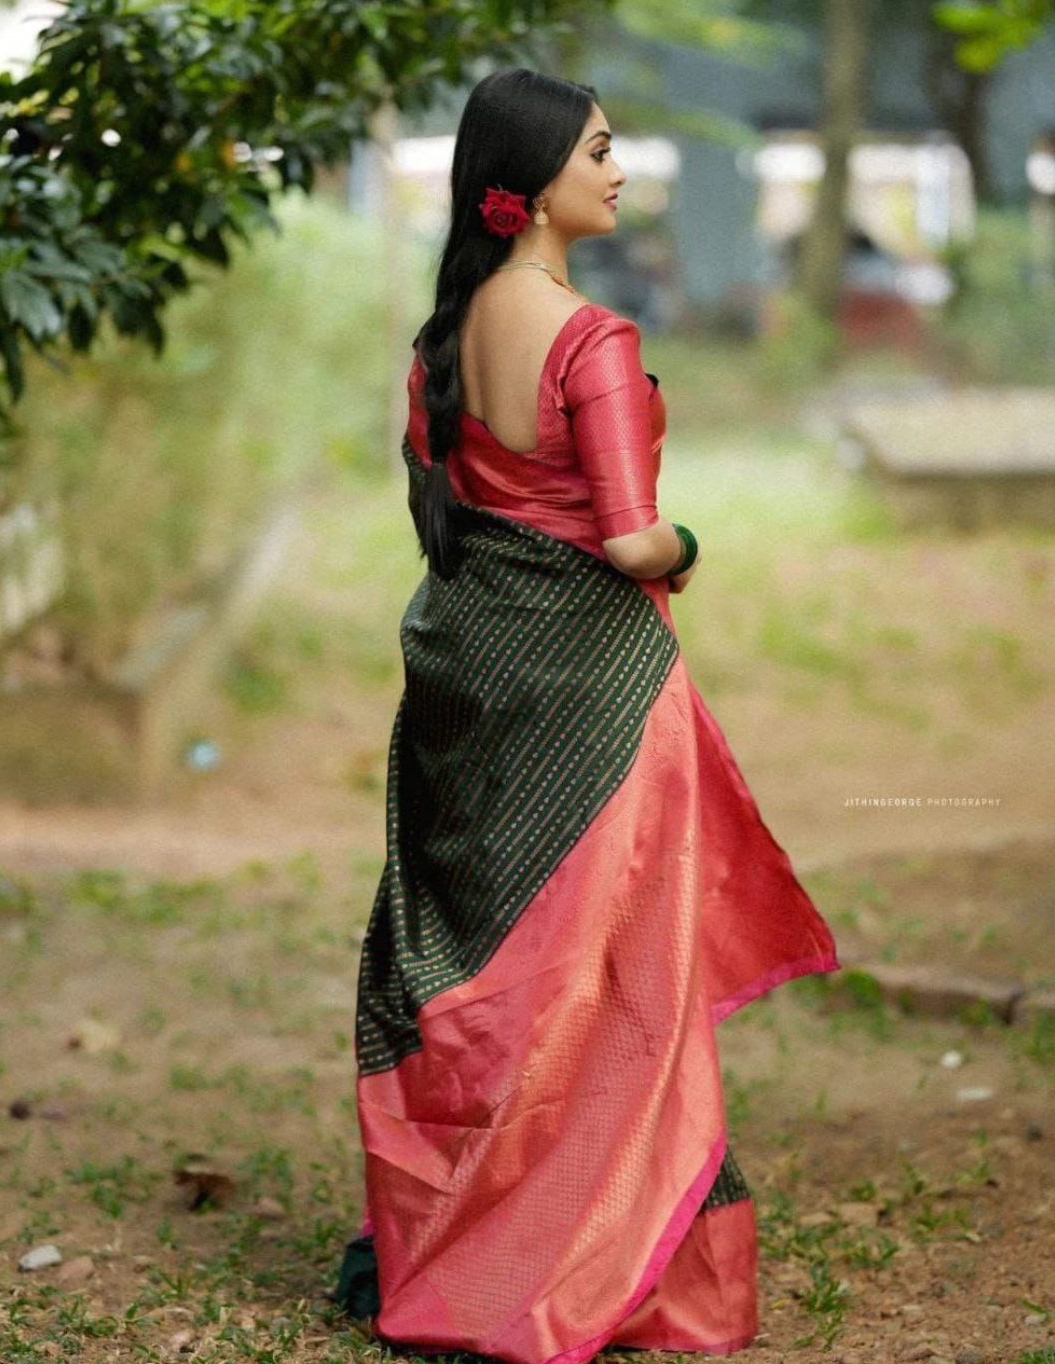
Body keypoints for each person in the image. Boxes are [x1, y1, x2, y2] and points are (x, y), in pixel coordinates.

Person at [331, 67, 840, 1363]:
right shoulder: (590, 341)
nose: (619, 170)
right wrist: (691, 545)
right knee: (615, 984)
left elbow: (451, 507)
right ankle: (581, 1258)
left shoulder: (441, 341)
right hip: (601, 699)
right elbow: (625, 539)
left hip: (469, 672)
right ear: (536, 182)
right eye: (600, 150)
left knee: (494, 960)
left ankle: (469, 1239)